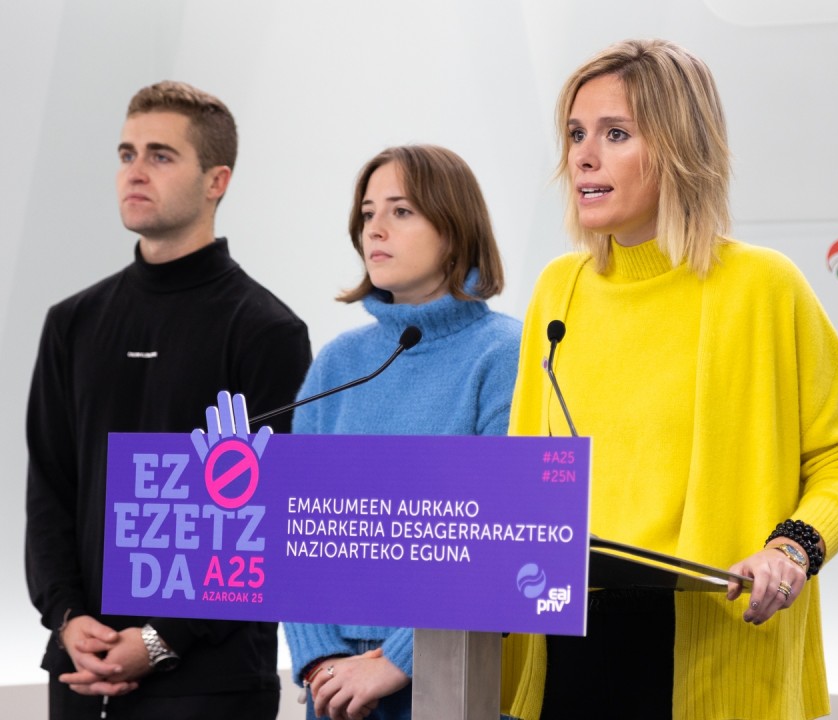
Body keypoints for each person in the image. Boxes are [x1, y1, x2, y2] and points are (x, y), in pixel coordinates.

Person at [499, 39, 838, 720]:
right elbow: (525, 474)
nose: (583, 156)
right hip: (568, 644)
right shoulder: (559, 290)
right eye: (576, 134)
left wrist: (791, 550)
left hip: (711, 639)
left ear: (680, 147)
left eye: (616, 134)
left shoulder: (763, 287)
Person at [24, 81, 311, 719]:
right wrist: (67, 616)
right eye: (127, 154)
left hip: (211, 681)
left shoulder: (267, 331)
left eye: (161, 155)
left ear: (217, 181)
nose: (135, 171)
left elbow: (267, 521)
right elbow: (49, 489)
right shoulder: (71, 323)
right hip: (81, 668)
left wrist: (159, 640)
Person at [284, 144, 521, 720]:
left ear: (454, 230)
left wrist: (397, 660)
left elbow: (504, 535)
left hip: (452, 672)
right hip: (337, 686)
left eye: (401, 211)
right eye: (367, 214)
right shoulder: (338, 363)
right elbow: (294, 530)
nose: (375, 229)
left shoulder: (505, 354)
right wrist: (319, 661)